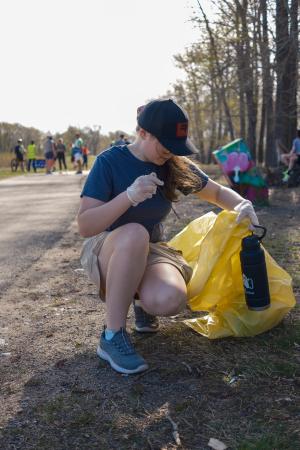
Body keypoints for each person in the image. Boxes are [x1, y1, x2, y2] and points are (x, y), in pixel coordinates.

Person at [77, 99, 259, 375]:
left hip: (147, 250)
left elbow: (218, 193)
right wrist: (128, 197)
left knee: (169, 300)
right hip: (105, 249)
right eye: (166, 144)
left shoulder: (172, 162)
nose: (171, 152)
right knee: (135, 233)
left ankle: (141, 300)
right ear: (143, 133)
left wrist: (241, 204)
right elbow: (86, 225)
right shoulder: (109, 161)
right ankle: (112, 336)